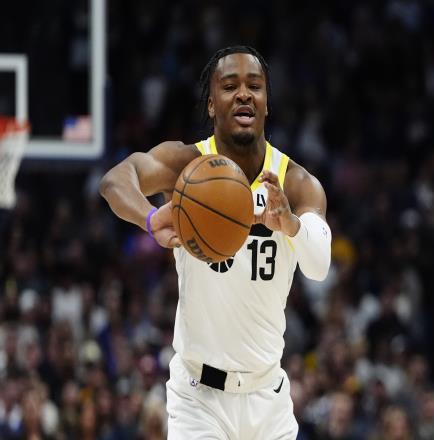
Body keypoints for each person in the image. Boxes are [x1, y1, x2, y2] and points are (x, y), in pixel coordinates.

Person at [100, 45, 332, 439]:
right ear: (211, 104)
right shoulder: (186, 164)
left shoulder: (294, 183)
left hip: (268, 399)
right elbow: (116, 180)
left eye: (254, 86)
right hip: (198, 398)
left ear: (266, 103)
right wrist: (150, 219)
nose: (244, 94)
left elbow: (320, 265)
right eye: (229, 86)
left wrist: (290, 224)